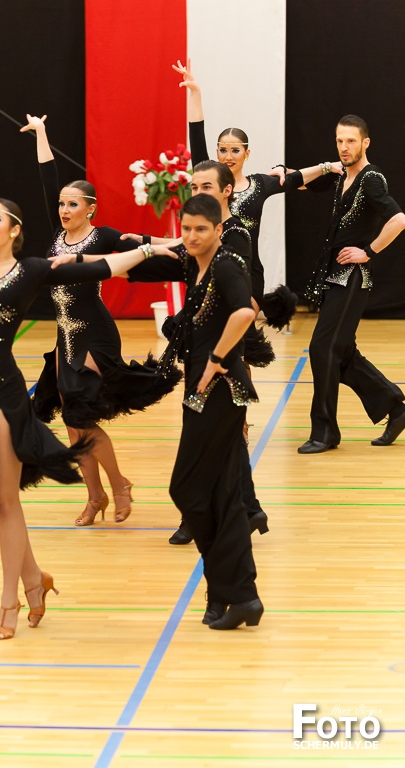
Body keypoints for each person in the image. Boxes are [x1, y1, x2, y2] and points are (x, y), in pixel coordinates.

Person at [0, 97, 175, 640]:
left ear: (15, 229)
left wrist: (150, 250)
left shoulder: (32, 271)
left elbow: (104, 266)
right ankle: (35, 580)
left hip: (2, 398)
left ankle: (9, 604)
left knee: (5, 501)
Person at [57, 194, 263, 629]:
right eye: (186, 229)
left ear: (218, 230)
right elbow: (126, 265)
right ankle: (236, 593)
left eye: (201, 229)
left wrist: (217, 359)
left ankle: (230, 588)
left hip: (221, 392)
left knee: (187, 490)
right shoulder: (191, 263)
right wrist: (76, 260)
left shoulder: (226, 264)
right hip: (201, 391)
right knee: (222, 495)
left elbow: (246, 311)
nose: (192, 236)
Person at [20, 114, 182, 526]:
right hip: (64, 336)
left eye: (73, 203)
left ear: (90, 208)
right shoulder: (57, 237)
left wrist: (184, 240)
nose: (64, 209)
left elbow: (143, 242)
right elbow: (46, 175)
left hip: (95, 334)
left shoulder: (103, 236)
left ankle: (119, 484)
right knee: (73, 424)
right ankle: (95, 496)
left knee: (83, 417)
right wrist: (42, 132)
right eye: (62, 203)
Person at [124, 161, 270, 544]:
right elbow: (181, 249)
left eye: (206, 186)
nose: (198, 192)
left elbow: (238, 302)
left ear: (226, 191)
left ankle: (201, 515)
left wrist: (218, 358)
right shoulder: (199, 236)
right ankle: (247, 509)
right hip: (200, 348)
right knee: (224, 441)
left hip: (220, 353)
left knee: (207, 440)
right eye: (194, 186)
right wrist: (140, 246)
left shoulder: (233, 237)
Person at [172, 59, 342, 311]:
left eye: (235, 150)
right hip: (211, 267)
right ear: (217, 153)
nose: (228, 156)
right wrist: (195, 92)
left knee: (243, 326)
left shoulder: (259, 184)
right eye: (223, 150)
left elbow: (295, 179)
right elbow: (196, 133)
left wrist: (327, 166)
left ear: (246, 153)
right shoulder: (208, 180)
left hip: (249, 272)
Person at [297, 115, 405, 453]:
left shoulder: (371, 179)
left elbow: (399, 219)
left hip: (351, 278)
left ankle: (325, 432)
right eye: (340, 141)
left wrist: (368, 251)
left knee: (322, 349)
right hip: (333, 276)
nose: (344, 147)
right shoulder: (343, 175)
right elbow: (300, 184)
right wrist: (325, 166)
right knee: (342, 355)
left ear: (365, 143)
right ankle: (397, 408)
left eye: (351, 141)